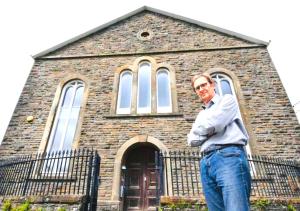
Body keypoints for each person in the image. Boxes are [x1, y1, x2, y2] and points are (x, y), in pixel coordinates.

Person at [187, 73, 251, 211]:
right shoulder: (201, 115)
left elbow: (216, 123)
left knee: (236, 207)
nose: (201, 89)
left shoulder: (227, 100)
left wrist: (203, 129)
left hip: (228, 156)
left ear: (212, 85)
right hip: (206, 162)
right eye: (197, 88)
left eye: (203, 85)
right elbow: (191, 140)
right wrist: (210, 128)